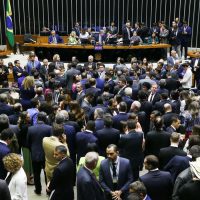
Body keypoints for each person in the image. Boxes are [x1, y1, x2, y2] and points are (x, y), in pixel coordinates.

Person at [27, 112, 52, 195]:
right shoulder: (49, 128)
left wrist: (32, 149)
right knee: (47, 173)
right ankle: (48, 190)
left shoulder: (31, 128)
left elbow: (28, 142)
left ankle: (38, 190)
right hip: (46, 154)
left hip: (34, 154)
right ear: (45, 119)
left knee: (36, 174)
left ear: (37, 119)